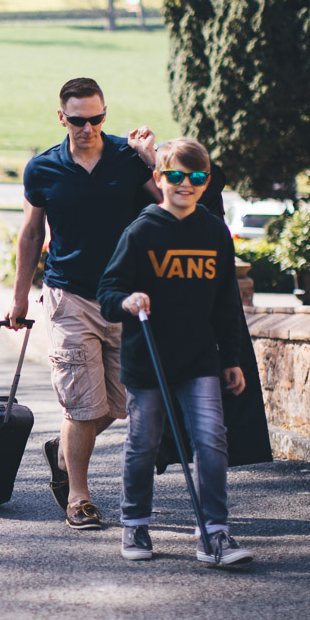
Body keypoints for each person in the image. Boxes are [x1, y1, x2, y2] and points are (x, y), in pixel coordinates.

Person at [6, 77, 159, 530]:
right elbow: (33, 233)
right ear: (62, 118)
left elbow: (171, 205)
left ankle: (61, 450)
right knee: (80, 406)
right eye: (78, 120)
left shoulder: (128, 160)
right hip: (68, 295)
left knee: (115, 406)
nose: (88, 127)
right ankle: (79, 497)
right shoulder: (43, 168)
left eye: (96, 119)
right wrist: (19, 298)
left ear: (104, 115)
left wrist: (152, 160)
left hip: (123, 299)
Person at [97, 138, 253, 566]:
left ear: (206, 185)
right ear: (159, 179)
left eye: (197, 178)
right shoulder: (142, 230)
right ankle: (135, 523)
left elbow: (226, 301)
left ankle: (214, 535)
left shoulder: (214, 232)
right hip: (148, 358)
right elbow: (108, 291)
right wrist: (128, 301)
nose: (186, 184)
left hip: (200, 358)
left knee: (211, 441)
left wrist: (232, 358)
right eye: (177, 176)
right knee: (143, 443)